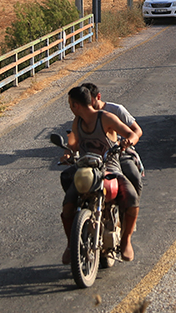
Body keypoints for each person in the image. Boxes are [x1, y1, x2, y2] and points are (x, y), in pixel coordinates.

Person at [60, 85, 140, 262]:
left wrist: (128, 142)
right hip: (85, 170)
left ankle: (126, 241)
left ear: (76, 105)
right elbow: (73, 144)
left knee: (132, 198)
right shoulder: (77, 122)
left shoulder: (106, 118)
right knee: (67, 205)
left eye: (70, 104)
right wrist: (68, 153)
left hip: (109, 169)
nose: (70, 108)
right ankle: (70, 244)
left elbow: (132, 133)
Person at [84, 83, 144, 195]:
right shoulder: (84, 116)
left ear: (98, 97)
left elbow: (137, 131)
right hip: (94, 155)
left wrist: (127, 142)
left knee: (133, 176)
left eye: (90, 101)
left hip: (118, 152)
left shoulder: (116, 110)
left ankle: (132, 208)